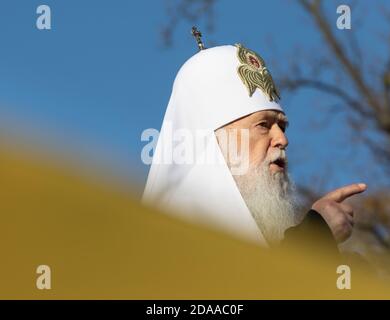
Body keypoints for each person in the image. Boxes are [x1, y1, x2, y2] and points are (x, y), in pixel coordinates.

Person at [142, 41, 366, 248]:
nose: (282, 140)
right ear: (215, 141)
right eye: (263, 125)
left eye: (282, 126)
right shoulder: (170, 237)